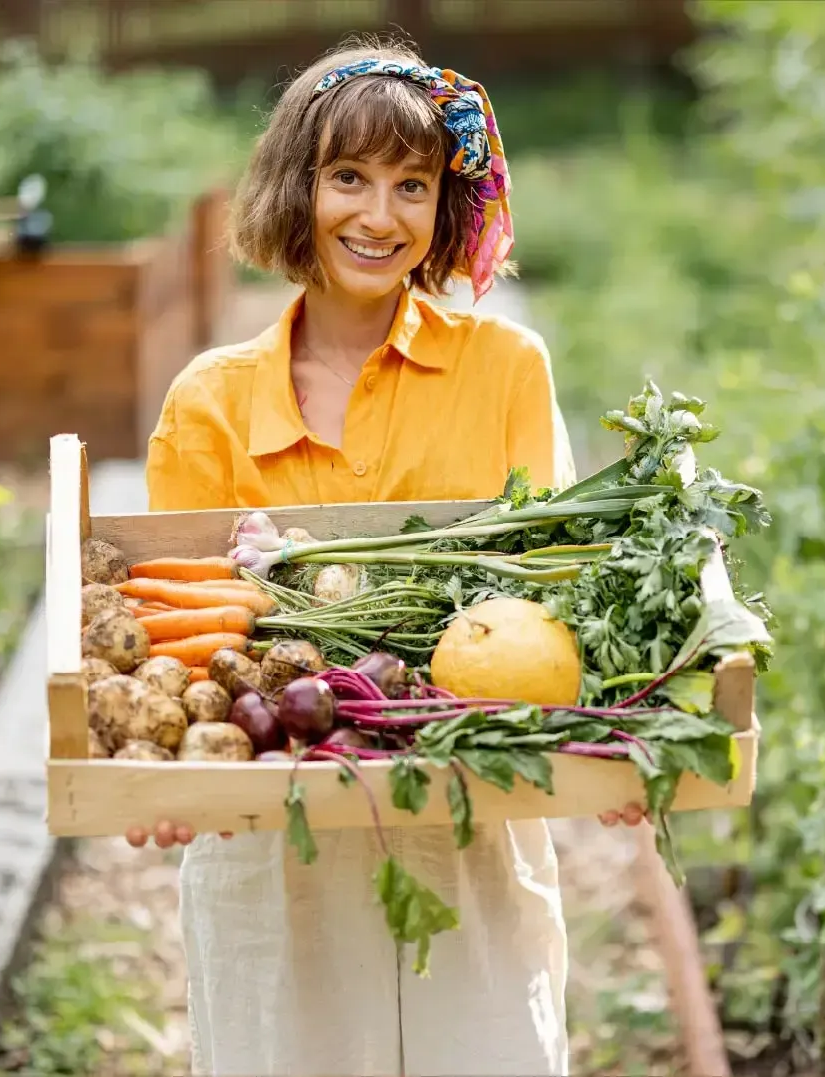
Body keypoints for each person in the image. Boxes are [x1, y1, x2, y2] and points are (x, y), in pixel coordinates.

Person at [127, 39, 646, 1077]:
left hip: (471, 822)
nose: (379, 215)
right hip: (273, 846)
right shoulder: (211, 401)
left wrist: (617, 731)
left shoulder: (504, 368)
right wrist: (163, 778)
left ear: (444, 207)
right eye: (348, 177)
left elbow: (558, 589)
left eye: (413, 185)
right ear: (297, 186)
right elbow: (180, 637)